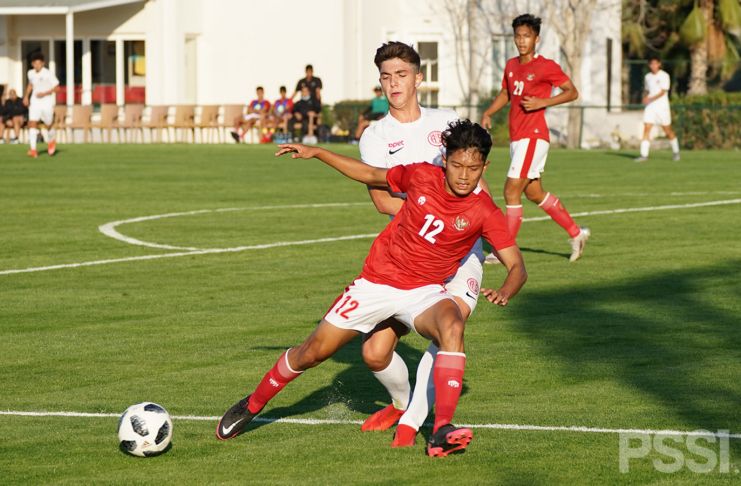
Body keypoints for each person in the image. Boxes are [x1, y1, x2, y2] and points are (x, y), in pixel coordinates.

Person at [216, 120, 527, 458]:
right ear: (444, 159)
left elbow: (517, 265)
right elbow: (369, 174)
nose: (464, 175)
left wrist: (508, 289)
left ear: (485, 166)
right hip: (376, 284)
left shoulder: (484, 210)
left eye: (473, 167)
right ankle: (254, 402)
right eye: (457, 165)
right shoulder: (420, 175)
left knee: (452, 324)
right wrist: (318, 152)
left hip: (425, 291)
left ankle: (442, 430)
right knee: (313, 352)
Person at [357, 41, 492, 449]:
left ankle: (419, 424)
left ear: (419, 77)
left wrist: (475, 229)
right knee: (374, 353)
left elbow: (475, 179)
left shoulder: (447, 122)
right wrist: (427, 221)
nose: (393, 83)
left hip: (461, 251)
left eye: (401, 74)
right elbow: (382, 199)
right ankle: (401, 404)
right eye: (385, 76)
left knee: (449, 329)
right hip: (408, 256)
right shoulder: (375, 136)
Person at [480, 13, 590, 263]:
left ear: (536, 39)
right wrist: (488, 111)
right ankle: (577, 233)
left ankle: (503, 250)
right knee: (533, 193)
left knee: (510, 191)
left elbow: (572, 92)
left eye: (526, 36)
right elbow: (506, 93)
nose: (521, 41)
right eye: (518, 36)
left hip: (534, 135)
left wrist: (544, 101)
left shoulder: (546, 66)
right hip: (517, 138)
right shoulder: (511, 65)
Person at [635, 56, 680, 162]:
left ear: (659, 64)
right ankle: (644, 155)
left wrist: (650, 98)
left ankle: (676, 151)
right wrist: (645, 97)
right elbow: (647, 90)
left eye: (655, 64)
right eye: (651, 64)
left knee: (667, 130)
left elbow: (663, 92)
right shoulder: (648, 77)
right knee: (647, 128)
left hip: (662, 107)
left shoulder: (664, 76)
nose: (653, 66)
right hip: (650, 107)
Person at [23, 52, 59, 158]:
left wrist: (45, 93)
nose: (37, 65)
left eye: (39, 63)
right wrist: (26, 96)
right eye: (35, 63)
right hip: (35, 102)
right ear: (32, 64)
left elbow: (57, 88)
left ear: (42, 63)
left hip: (47, 102)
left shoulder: (48, 73)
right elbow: (30, 85)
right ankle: (33, 149)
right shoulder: (30, 73)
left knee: (48, 124)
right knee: (32, 123)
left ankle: (51, 141)